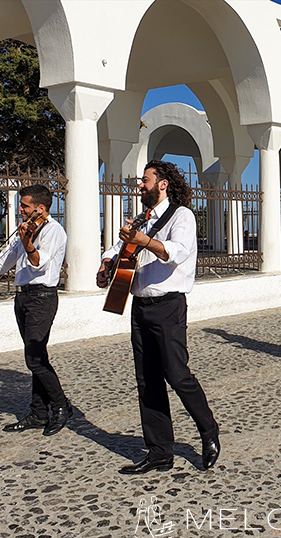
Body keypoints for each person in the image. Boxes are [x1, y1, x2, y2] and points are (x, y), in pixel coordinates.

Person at [97, 160, 219, 474]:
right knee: (147, 380)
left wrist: (145, 241)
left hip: (168, 306)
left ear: (162, 183)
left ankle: (208, 431)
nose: (140, 185)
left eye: (145, 180)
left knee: (177, 375)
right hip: (139, 306)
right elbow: (116, 246)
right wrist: (107, 262)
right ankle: (159, 451)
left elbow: (177, 251)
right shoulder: (141, 218)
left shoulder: (182, 215)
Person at [0, 185, 71, 436]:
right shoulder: (23, 232)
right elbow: (1, 262)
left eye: (25, 206)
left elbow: (40, 263)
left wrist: (27, 242)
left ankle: (61, 406)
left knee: (35, 359)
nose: (20, 210)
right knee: (35, 357)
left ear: (40, 208)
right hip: (23, 298)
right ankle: (39, 413)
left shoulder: (54, 231)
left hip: (42, 297)